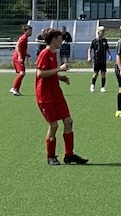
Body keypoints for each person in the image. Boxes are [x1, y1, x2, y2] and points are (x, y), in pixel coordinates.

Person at [34, 28, 88, 165]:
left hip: (56, 94)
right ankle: (50, 156)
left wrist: (60, 78)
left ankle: (69, 155)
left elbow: (50, 73)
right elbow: (40, 73)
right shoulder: (45, 53)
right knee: (54, 125)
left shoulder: (53, 53)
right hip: (45, 96)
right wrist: (59, 69)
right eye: (60, 39)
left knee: (68, 121)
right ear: (54, 40)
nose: (62, 41)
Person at [10, 24, 33, 97]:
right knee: (22, 73)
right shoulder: (23, 38)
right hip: (18, 58)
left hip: (19, 57)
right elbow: (18, 46)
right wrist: (20, 56)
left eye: (31, 31)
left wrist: (26, 54)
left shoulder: (25, 38)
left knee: (22, 74)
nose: (31, 32)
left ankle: (16, 89)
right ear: (25, 31)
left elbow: (21, 47)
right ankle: (14, 88)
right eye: (29, 31)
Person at [88, 25, 111, 93]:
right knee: (96, 73)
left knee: (103, 73)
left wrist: (109, 55)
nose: (103, 33)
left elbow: (107, 48)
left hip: (103, 60)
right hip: (97, 59)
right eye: (102, 32)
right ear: (98, 32)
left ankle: (103, 87)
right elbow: (90, 49)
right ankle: (92, 85)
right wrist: (89, 57)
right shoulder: (94, 41)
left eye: (104, 32)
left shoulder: (105, 41)